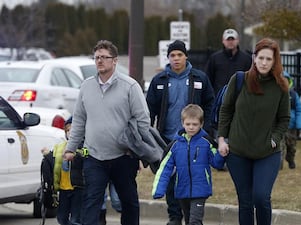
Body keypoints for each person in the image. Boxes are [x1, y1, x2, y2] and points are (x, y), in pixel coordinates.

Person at [64, 40, 150, 225]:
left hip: (124, 157)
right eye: (97, 57)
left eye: (104, 57)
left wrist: (137, 150)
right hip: (94, 156)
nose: (100, 61)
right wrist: (70, 149)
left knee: (129, 202)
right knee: (91, 202)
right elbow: (79, 120)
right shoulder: (86, 86)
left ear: (115, 60)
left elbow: (143, 120)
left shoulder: (130, 86)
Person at [217, 37, 290, 225]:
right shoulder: (239, 80)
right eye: (261, 58)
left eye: (269, 59)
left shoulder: (281, 86)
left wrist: (274, 138)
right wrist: (222, 139)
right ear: (254, 58)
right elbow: (226, 110)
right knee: (246, 201)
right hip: (238, 152)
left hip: (267, 152)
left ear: (275, 61)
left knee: (261, 197)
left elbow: (284, 119)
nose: (264, 63)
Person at [146, 40, 215, 225]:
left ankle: (193, 217)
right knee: (170, 178)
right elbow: (149, 109)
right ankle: (174, 217)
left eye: (179, 55)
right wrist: (149, 134)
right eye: (172, 55)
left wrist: (206, 129)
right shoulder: (159, 80)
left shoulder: (199, 78)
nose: (176, 58)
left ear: (186, 56)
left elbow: (210, 103)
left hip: (194, 138)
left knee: (190, 176)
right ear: (168, 58)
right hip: (167, 139)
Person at [152, 104, 225, 225]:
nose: (191, 127)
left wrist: (221, 154)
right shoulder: (175, 145)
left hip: (200, 189)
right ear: (183, 123)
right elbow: (164, 169)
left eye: (195, 124)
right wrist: (158, 189)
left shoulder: (207, 142)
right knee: (188, 220)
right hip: (182, 190)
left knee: (195, 221)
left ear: (201, 124)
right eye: (188, 124)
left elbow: (216, 163)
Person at [51, 116, 84, 225]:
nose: (70, 133)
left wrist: (76, 155)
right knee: (61, 217)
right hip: (63, 188)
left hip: (77, 187)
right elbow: (54, 159)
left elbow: (87, 154)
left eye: (73, 130)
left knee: (76, 217)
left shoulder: (84, 147)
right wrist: (47, 155)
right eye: (68, 130)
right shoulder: (59, 146)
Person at [205, 28, 252, 95]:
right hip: (220, 99)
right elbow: (208, 79)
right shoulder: (214, 58)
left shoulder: (247, 59)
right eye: (228, 39)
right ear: (223, 41)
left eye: (232, 39)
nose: (230, 42)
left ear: (238, 40)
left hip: (240, 98)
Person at [281, 71, 301, 169]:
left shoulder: (293, 95)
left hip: (291, 126)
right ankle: (279, 164)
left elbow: (300, 110)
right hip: (279, 126)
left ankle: (290, 159)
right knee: (280, 146)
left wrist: (299, 124)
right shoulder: (275, 94)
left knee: (291, 146)